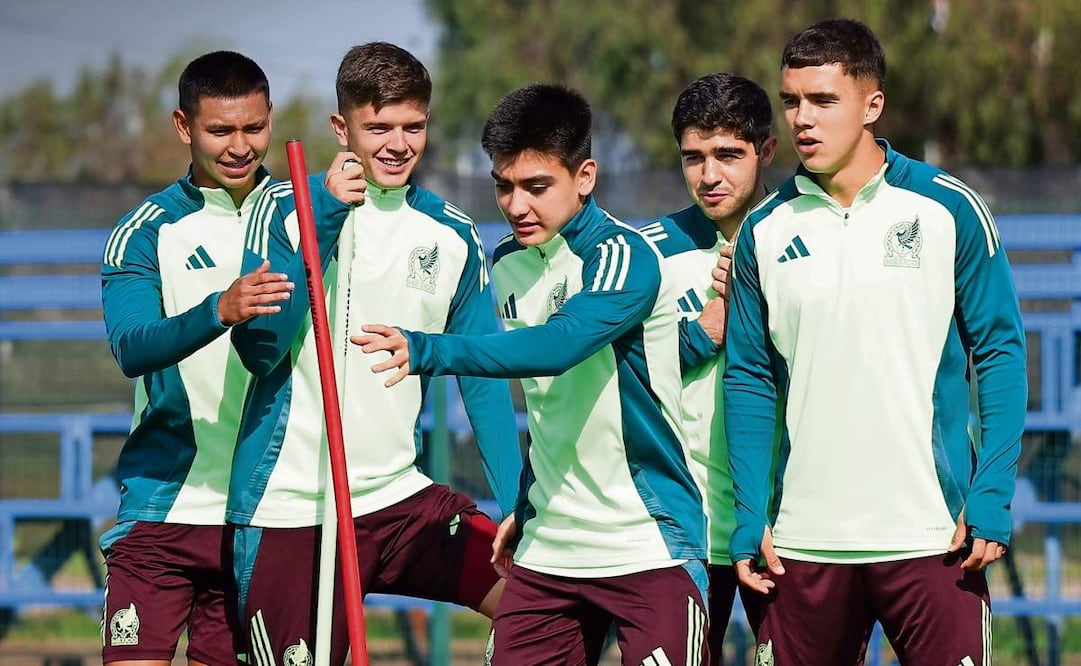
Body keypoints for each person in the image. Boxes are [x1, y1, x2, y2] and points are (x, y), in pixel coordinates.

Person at [355, 83, 709, 666]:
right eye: (504, 186)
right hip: (548, 552)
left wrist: (430, 349)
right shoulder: (510, 263)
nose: (517, 206)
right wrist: (523, 502)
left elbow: (560, 347)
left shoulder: (624, 257)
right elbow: (550, 409)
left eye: (537, 187)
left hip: (647, 544)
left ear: (585, 177)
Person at [723, 18, 1027, 665]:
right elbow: (747, 377)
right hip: (802, 545)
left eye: (822, 100)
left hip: (932, 536)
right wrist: (750, 511)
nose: (802, 118)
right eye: (791, 101)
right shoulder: (764, 231)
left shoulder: (948, 210)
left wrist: (990, 493)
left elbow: (998, 353)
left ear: (871, 104)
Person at [227, 42, 522, 666]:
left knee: (539, 599)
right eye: (378, 126)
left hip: (397, 499)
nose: (398, 143)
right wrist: (328, 216)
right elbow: (261, 349)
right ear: (342, 128)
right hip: (293, 506)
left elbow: (485, 377)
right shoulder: (285, 208)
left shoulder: (453, 234)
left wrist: (517, 507)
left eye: (413, 126)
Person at [99, 51, 293, 665]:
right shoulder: (146, 230)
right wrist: (219, 310)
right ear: (184, 127)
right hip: (164, 504)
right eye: (220, 130)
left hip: (267, 513)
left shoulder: (304, 217)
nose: (240, 146)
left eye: (254, 128)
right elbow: (132, 345)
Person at [638, 72, 776, 661]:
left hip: (783, 523)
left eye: (728, 155)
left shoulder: (802, 240)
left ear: (766, 152)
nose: (709, 175)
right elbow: (619, 378)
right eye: (693, 157)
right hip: (680, 528)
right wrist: (703, 334)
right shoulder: (646, 253)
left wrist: (755, 314)